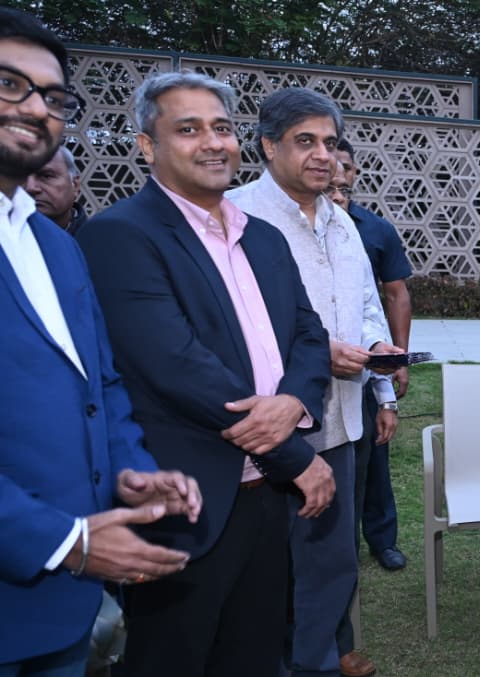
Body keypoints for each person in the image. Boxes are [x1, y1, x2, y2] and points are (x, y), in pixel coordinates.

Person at [76, 70, 334, 676]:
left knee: (254, 655)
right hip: (186, 501)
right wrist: (296, 456)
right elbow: (176, 365)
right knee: (172, 659)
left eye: (222, 128)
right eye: (189, 130)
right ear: (148, 145)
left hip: (266, 499)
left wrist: (294, 403)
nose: (214, 143)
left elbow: (308, 335)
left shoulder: (263, 237)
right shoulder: (119, 235)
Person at [0, 10, 201, 673]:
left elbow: (99, 385)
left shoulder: (57, 246)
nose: (36, 108)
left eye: (54, 97)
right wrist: (64, 541)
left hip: (61, 613)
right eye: (9, 84)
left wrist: (129, 469)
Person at [228, 87, 401, 677]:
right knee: (267, 570)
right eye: (305, 141)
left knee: (330, 563)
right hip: (266, 429)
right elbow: (231, 325)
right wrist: (321, 353)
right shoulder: (236, 217)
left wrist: (377, 357)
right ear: (268, 145)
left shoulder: (342, 222)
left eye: (329, 142)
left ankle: (318, 661)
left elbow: (367, 307)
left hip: (341, 422)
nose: (322, 155)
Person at [334, 137, 412, 573]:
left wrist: (392, 363)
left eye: (344, 167)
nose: (337, 175)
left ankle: (382, 539)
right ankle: (338, 550)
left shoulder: (372, 230)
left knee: (374, 459)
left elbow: (387, 301)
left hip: (363, 369)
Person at [25, 145, 86, 234]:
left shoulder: (97, 238)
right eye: (21, 178)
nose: (30, 187)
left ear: (75, 185)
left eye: (46, 176)